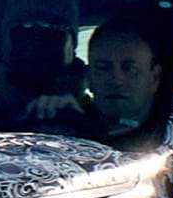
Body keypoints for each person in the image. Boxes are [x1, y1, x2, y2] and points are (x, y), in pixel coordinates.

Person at [25, 20, 163, 147]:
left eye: (129, 69)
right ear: (89, 78)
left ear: (155, 78)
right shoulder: (70, 123)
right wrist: (55, 118)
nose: (116, 80)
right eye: (103, 68)